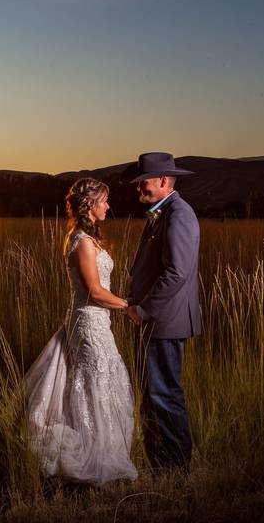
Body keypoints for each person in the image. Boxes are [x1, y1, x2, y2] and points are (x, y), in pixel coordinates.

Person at [24, 178, 138, 486]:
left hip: (96, 322)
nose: (108, 206)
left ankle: (102, 448)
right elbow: (94, 292)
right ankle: (95, 456)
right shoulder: (82, 242)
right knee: (95, 383)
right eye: (104, 201)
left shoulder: (86, 238)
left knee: (99, 381)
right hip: (88, 323)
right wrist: (128, 306)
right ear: (89, 205)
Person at [124, 152, 202, 473]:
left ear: (163, 181)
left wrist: (144, 309)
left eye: (143, 182)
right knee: (156, 393)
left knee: (165, 394)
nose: (138, 188)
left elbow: (176, 272)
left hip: (164, 321)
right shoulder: (162, 212)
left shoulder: (179, 214)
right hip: (156, 322)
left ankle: (177, 470)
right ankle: (163, 465)